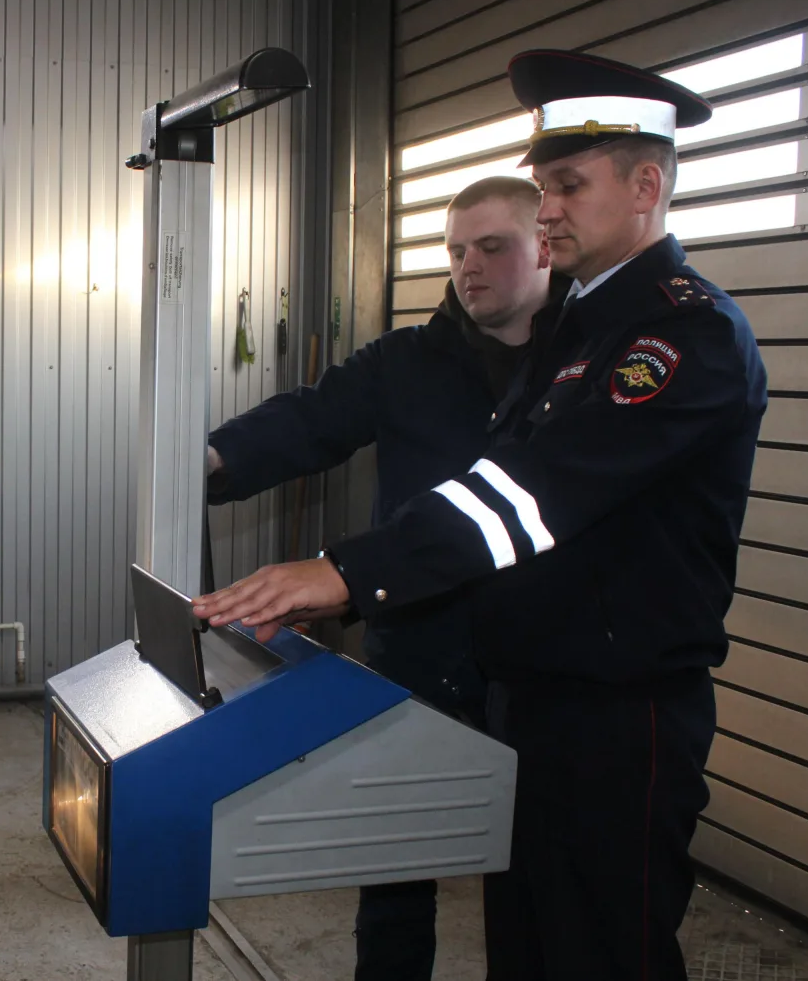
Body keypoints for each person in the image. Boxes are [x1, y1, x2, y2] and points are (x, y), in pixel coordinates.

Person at [193, 49, 768, 981]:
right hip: (531, 700)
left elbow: (529, 497)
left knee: (601, 951)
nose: (549, 210)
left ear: (647, 185)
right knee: (529, 949)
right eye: (543, 187)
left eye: (569, 186)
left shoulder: (679, 335)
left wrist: (344, 572)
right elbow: (450, 466)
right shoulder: (579, 333)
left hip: (616, 718)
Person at [205, 174, 554, 981]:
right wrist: (211, 458)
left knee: (532, 877)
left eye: (492, 247)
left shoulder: (580, 368)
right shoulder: (410, 359)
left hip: (538, 660)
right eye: (457, 251)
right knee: (396, 869)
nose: (469, 267)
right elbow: (313, 417)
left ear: (546, 243)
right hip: (418, 649)